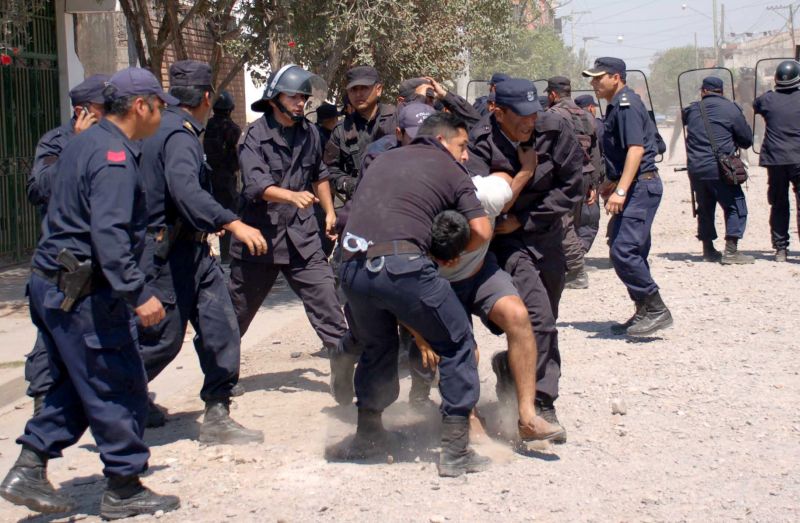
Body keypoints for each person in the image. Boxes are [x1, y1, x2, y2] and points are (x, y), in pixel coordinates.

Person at [0, 67, 179, 520]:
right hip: (84, 294)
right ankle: (123, 486)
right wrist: (137, 293)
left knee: (77, 387)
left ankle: (30, 465)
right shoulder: (113, 156)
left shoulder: (82, 142)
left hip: (53, 285)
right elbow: (109, 234)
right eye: (159, 105)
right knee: (118, 384)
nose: (162, 113)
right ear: (141, 106)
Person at [338, 112, 493, 477]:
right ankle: (456, 451)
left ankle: (368, 437)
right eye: (462, 145)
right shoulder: (449, 168)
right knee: (457, 343)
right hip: (403, 266)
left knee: (377, 348)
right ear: (442, 142)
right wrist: (444, 256)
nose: (466, 155)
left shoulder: (383, 158)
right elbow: (482, 230)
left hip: (351, 269)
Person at [137, 60, 266, 444]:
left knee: (221, 324)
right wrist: (233, 223)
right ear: (207, 97)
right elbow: (186, 193)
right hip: (168, 253)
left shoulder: (166, 128)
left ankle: (217, 412)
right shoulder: (177, 135)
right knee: (163, 338)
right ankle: (108, 392)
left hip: (193, 250)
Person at [467, 78, 584, 443]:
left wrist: (529, 218)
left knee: (547, 314)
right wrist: (511, 217)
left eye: (534, 113)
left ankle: (512, 369)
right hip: (506, 240)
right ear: (497, 111)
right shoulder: (478, 141)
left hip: (544, 234)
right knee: (538, 317)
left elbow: (571, 187)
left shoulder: (555, 127)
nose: (529, 122)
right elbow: (476, 199)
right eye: (520, 116)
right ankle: (541, 402)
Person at [427, 174, 565, 443]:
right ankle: (469, 417)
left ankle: (527, 415)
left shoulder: (486, 194)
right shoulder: (424, 203)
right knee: (465, 348)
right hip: (439, 282)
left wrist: (526, 171)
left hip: (480, 272)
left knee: (518, 315)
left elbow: (505, 185)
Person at [228, 64, 346, 355]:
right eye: (293, 97)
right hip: (259, 240)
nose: (300, 103)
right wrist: (292, 196)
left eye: (303, 98)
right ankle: (218, 386)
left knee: (329, 307)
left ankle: (346, 378)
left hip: (302, 238)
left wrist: (329, 212)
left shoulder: (310, 134)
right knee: (233, 317)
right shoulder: (253, 136)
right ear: (273, 98)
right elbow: (256, 186)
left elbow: (320, 174)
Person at [23, 74, 110, 415]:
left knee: (115, 327)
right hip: (64, 259)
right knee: (55, 330)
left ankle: (126, 397)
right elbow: (39, 188)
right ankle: (45, 400)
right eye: (106, 108)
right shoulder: (57, 142)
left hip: (104, 250)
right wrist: (77, 144)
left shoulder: (114, 139)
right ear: (82, 111)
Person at [584, 57, 673, 336]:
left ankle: (656, 308)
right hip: (634, 185)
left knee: (624, 250)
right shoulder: (616, 106)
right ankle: (644, 310)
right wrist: (610, 183)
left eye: (599, 77)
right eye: (592, 78)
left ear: (616, 77)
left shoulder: (626, 105)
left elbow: (635, 150)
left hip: (641, 188)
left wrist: (621, 191)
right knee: (628, 248)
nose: (594, 83)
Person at [682, 76, 754, 263]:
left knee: (705, 208)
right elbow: (746, 140)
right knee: (735, 206)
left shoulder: (691, 110)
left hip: (696, 168)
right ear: (721, 91)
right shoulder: (731, 108)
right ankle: (731, 251)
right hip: (722, 168)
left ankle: (708, 250)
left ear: (703, 91)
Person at [546, 76, 602, 289]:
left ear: (552, 95)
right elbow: (595, 152)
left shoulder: (552, 115)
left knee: (563, 224)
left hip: (565, 176)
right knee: (574, 223)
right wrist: (593, 184)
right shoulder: (587, 116)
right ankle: (570, 267)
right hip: (585, 175)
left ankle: (577, 272)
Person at [324, 65, 396, 200]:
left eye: (364, 88)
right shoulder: (341, 130)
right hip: (359, 202)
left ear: (378, 89)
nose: (358, 94)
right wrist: (349, 184)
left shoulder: (396, 120)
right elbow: (330, 169)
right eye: (353, 89)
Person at [753, 60, 800, 262]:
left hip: (775, 159)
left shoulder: (767, 100)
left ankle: (781, 249)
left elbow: (756, 105)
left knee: (779, 204)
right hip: (798, 157)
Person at [203, 90, 242, 264]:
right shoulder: (233, 129)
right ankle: (228, 254)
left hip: (210, 175)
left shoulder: (208, 126)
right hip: (227, 178)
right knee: (229, 214)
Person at [574, 94, 605, 253]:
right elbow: (598, 154)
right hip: (588, 179)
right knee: (589, 221)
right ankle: (576, 261)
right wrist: (594, 183)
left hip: (570, 179)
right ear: (591, 108)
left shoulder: (565, 121)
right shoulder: (596, 125)